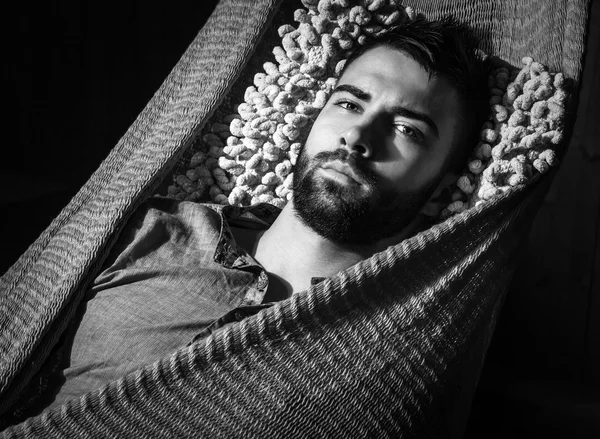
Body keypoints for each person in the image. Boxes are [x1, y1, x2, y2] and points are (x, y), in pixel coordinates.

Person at [6, 15, 489, 423]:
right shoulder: (149, 229)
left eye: (407, 128)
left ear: (445, 189)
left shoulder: (388, 348)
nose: (357, 135)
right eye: (348, 103)